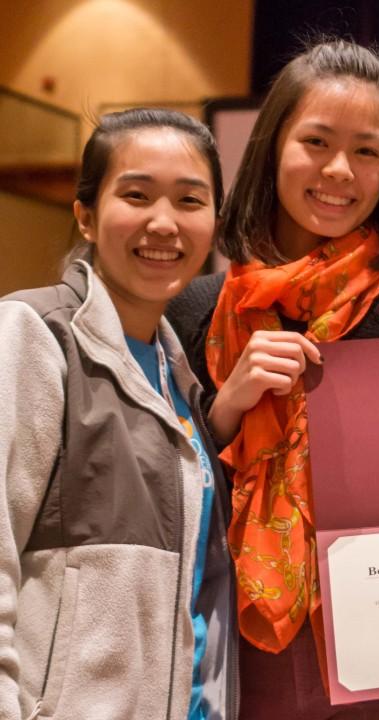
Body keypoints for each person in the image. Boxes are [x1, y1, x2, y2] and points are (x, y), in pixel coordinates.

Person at [166, 39, 379, 720]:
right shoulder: (199, 307)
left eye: (367, 151)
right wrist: (228, 405)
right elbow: (163, 492)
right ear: (273, 147)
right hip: (240, 647)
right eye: (316, 141)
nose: (338, 171)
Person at [0, 108, 236, 720]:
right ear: (85, 213)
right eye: (136, 194)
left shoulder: (181, 377)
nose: (164, 222)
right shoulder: (35, 335)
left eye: (190, 200)